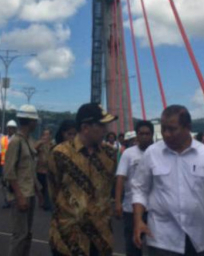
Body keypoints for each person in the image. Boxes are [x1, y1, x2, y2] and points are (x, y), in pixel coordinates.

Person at [132, 105, 204, 256]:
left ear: (188, 127)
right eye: (163, 129)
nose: (166, 134)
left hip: (198, 239)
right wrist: (138, 220)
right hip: (162, 238)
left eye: (172, 129)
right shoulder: (152, 154)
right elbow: (139, 189)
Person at [48, 103, 118, 256]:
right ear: (86, 127)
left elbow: (108, 188)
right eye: (101, 125)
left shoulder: (110, 155)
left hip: (100, 239)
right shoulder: (60, 154)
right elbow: (54, 189)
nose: (106, 130)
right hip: (68, 239)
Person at [4, 104, 43, 256]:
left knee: (27, 234)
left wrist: (38, 192)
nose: (36, 123)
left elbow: (29, 170)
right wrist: (19, 196)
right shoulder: (15, 142)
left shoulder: (27, 140)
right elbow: (9, 172)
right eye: (35, 121)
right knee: (19, 235)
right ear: (30, 121)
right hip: (21, 195)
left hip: (29, 193)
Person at [115, 123, 154, 256]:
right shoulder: (128, 153)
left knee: (156, 247)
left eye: (147, 134)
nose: (144, 137)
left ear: (152, 135)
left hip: (154, 209)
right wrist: (118, 202)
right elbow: (120, 177)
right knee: (133, 246)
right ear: (137, 135)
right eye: (141, 134)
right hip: (130, 208)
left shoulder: (159, 153)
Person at [35, 129, 53, 211]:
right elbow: (33, 150)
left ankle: (47, 204)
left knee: (47, 187)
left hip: (48, 170)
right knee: (41, 186)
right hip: (39, 169)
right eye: (44, 134)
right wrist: (40, 143)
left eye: (47, 134)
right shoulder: (40, 144)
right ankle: (41, 198)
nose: (46, 136)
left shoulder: (52, 145)